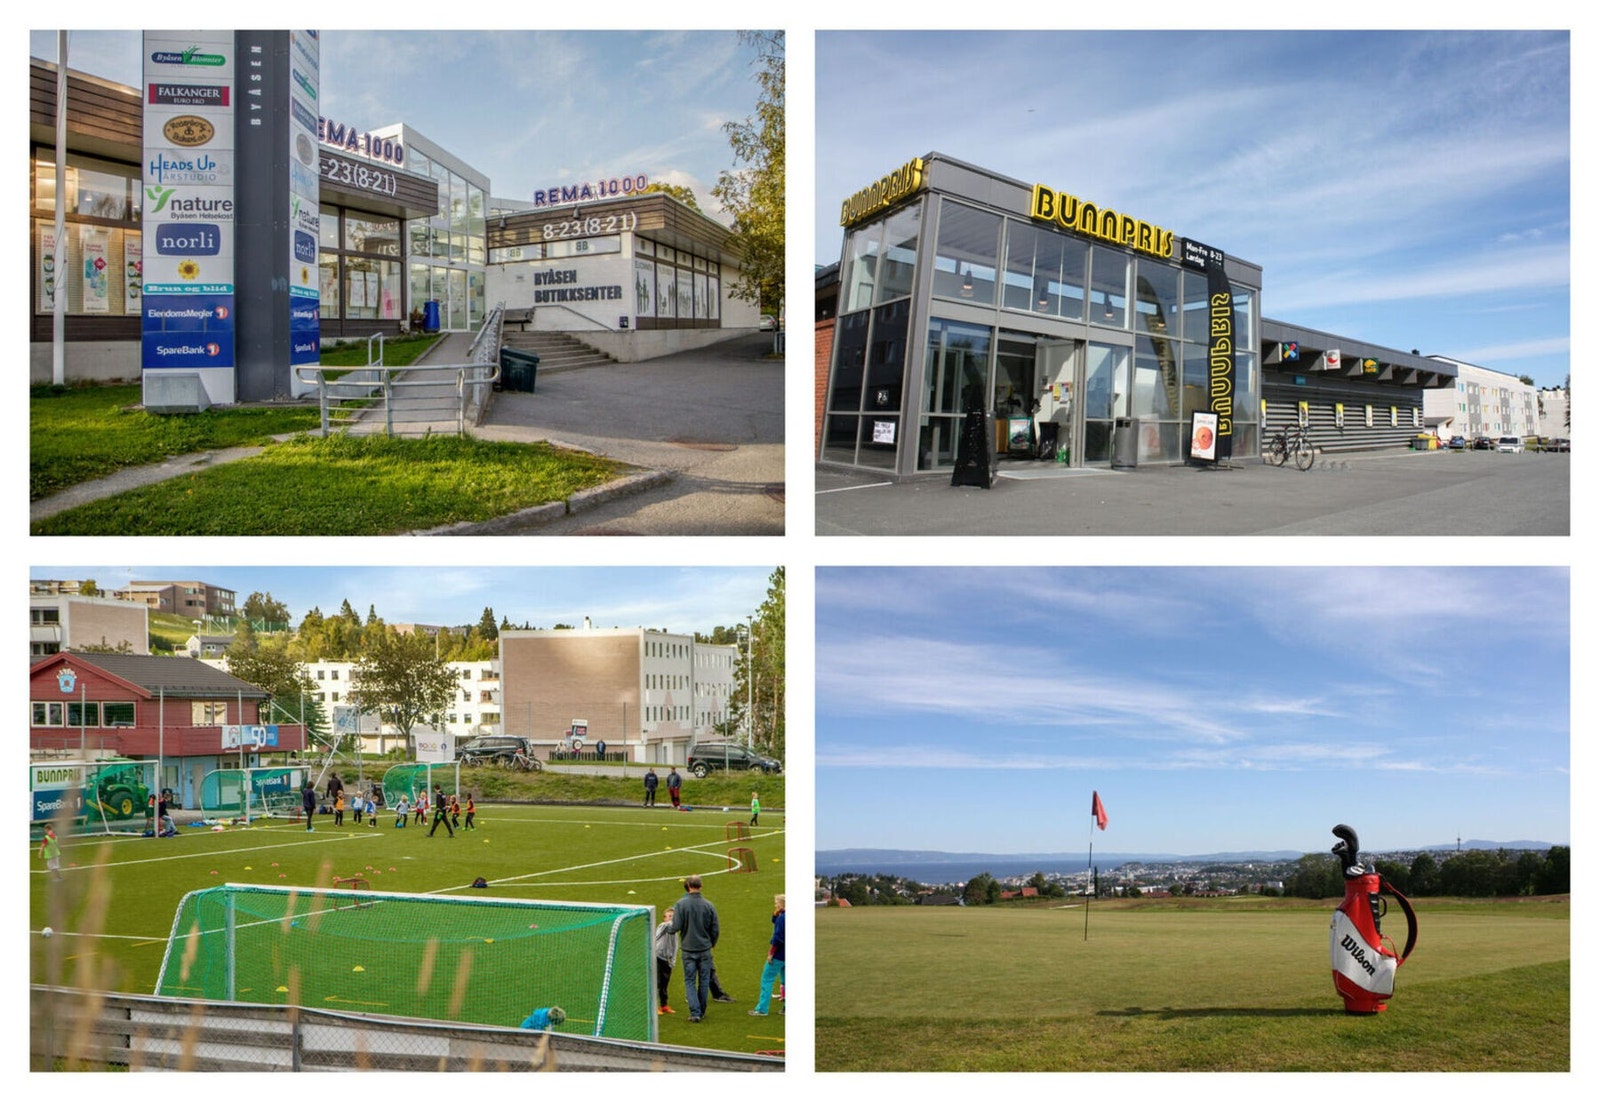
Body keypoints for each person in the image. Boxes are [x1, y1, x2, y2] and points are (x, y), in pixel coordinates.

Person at [669, 874, 719, 1023]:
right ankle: (701, 1011)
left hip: (688, 949)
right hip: (704, 949)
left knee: (689, 980)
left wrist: (666, 929)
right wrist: (711, 943)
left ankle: (695, 1012)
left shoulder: (680, 904)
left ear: (688, 886)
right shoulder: (708, 905)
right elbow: (715, 928)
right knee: (704, 980)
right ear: (700, 886)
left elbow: (676, 926)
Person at [749, 895, 786, 1017]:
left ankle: (762, 1009)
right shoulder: (783, 916)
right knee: (786, 980)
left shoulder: (783, 918)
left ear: (783, 904)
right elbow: (776, 921)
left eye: (777, 903)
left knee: (767, 980)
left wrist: (771, 953)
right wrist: (776, 914)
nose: (775, 905)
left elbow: (778, 938)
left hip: (779, 955)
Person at [654, 906, 678, 1015]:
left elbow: (675, 946)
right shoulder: (663, 926)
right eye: (670, 916)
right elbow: (655, 936)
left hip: (667, 960)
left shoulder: (675, 931)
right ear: (664, 918)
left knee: (664, 984)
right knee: (657, 983)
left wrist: (673, 960)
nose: (671, 919)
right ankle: (654, 1006)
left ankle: (664, 1005)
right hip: (658, 957)